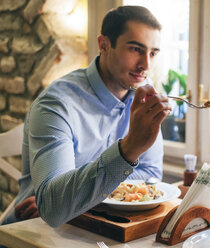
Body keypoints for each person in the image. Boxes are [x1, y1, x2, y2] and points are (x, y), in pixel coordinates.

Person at [2, 5, 171, 227]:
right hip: (33, 229)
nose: (145, 65)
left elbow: (150, 174)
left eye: (153, 53)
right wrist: (127, 151)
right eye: (135, 49)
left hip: (93, 225)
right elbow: (54, 207)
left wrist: (76, 199)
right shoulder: (56, 104)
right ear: (103, 44)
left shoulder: (144, 97)